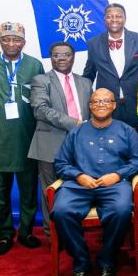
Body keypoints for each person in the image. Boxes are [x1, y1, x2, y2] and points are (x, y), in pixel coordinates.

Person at [52, 88, 138, 276]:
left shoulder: (126, 130)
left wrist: (118, 175)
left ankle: (106, 260)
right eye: (95, 102)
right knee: (61, 211)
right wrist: (78, 176)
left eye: (105, 101)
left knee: (121, 211)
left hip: (114, 184)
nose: (100, 105)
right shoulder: (76, 131)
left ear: (114, 105)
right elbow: (60, 162)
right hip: (79, 185)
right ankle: (81, 263)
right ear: (89, 106)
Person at [0, 22, 44, 256]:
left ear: (23, 43)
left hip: (25, 137)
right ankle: (4, 235)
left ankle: (26, 232)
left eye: (16, 40)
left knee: (27, 190)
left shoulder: (34, 64)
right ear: (0, 41)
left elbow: (41, 99)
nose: (11, 44)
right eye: (6, 39)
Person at [28, 41, 92, 237]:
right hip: (50, 146)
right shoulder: (41, 80)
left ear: (73, 57)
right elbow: (40, 110)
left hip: (80, 147)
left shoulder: (85, 83)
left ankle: (74, 232)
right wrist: (75, 123)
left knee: (77, 191)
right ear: (51, 58)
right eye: (56, 55)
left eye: (66, 55)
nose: (61, 58)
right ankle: (52, 234)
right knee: (51, 192)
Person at [83, 3, 138, 142]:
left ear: (125, 18)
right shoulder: (94, 43)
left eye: (118, 16)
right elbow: (89, 74)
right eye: (110, 16)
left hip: (136, 104)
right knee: (110, 147)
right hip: (107, 106)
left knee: (136, 146)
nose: (114, 19)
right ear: (104, 20)